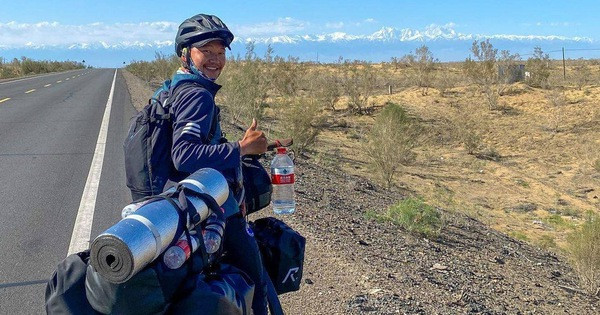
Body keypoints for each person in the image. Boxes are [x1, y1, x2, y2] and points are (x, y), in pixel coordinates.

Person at [166, 13, 269, 314]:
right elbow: (183, 154)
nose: (215, 60)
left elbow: (197, 143)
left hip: (183, 203)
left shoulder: (174, 86)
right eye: (206, 51)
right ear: (186, 54)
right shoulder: (198, 96)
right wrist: (240, 148)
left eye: (220, 53)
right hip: (212, 208)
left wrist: (236, 147)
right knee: (256, 277)